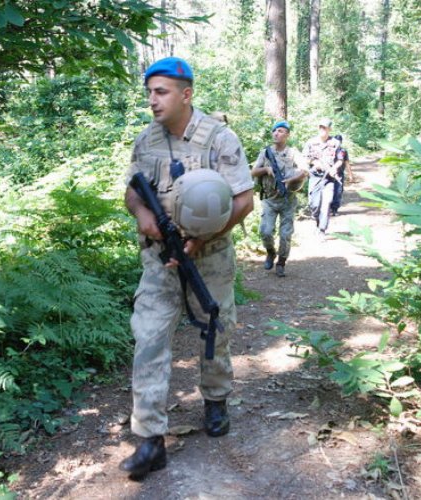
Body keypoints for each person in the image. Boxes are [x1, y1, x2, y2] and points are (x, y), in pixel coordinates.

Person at [120, 57, 255, 480]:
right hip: (159, 260)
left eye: (161, 92)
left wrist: (200, 240)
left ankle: (215, 401)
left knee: (217, 329)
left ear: (186, 94)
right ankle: (150, 440)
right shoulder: (146, 140)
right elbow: (131, 192)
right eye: (149, 93)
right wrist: (142, 214)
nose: (153, 101)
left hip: (209, 258)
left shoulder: (219, 138)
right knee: (149, 338)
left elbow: (243, 201)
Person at [250, 121, 307, 277]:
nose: (276, 133)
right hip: (269, 199)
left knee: (285, 234)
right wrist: (266, 169)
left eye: (280, 131)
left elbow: (304, 171)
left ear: (287, 134)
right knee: (265, 231)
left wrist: (291, 180)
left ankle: (281, 262)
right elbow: (253, 172)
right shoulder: (265, 152)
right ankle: (270, 252)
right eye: (274, 131)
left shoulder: (293, 152)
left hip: (288, 200)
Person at [304, 118, 341, 240]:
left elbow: (340, 159)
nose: (322, 130)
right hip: (315, 178)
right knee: (314, 205)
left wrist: (334, 168)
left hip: (329, 180)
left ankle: (322, 230)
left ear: (329, 129)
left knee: (326, 204)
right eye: (321, 127)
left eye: (325, 128)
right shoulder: (311, 142)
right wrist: (315, 163)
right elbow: (305, 158)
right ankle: (316, 220)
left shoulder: (335, 143)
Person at [330, 134, 354, 216]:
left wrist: (350, 175)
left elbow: (347, 163)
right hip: (328, 174)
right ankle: (327, 207)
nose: (337, 143)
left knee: (338, 191)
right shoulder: (328, 150)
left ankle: (334, 209)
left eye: (339, 141)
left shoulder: (343, 151)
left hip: (339, 174)